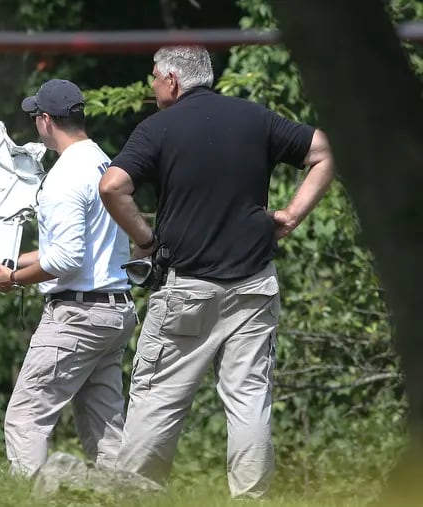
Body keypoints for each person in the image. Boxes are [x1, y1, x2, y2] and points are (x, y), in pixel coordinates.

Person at [98, 47, 334, 497]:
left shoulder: (158, 128)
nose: (152, 86)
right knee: (249, 399)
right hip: (254, 286)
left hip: (187, 289)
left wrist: (146, 240)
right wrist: (293, 214)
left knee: (157, 398)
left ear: (171, 81)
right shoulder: (255, 117)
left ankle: (133, 497)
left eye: (154, 78)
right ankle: (250, 500)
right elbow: (326, 150)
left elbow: (112, 186)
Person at [0, 79, 137, 476]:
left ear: (46, 121)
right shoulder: (103, 163)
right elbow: (83, 247)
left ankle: (35, 496)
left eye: (36, 116)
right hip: (114, 311)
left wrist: (14, 279)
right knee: (105, 431)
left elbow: (67, 258)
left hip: (78, 317)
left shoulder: (63, 177)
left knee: (25, 418)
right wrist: (13, 262)